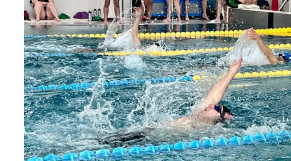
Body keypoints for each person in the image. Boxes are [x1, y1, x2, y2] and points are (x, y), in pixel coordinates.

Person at [100, 58, 243, 146]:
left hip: (149, 140)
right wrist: (231, 73)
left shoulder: (208, 128)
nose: (212, 105)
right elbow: (213, 96)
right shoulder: (198, 113)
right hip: (144, 132)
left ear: (220, 118)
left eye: (217, 108)